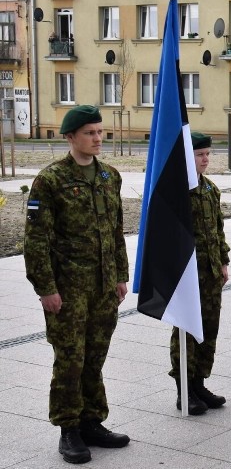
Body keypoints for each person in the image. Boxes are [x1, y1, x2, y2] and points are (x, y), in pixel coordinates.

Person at [24, 105, 130, 464]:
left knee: (95, 355)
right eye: (89, 133)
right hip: (68, 288)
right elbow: (36, 240)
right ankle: (68, 428)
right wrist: (46, 289)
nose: (98, 138)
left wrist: (119, 276)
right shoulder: (50, 180)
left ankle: (91, 421)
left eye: (100, 132)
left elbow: (116, 231)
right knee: (70, 358)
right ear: (70, 137)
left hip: (102, 286)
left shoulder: (109, 177)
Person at [170, 132, 231, 416]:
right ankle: (184, 389)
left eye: (207, 154)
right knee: (186, 329)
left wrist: (223, 261)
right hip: (187, 274)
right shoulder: (178, 191)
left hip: (210, 272)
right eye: (199, 154)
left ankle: (199, 382)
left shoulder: (210, 189)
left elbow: (217, 231)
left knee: (208, 328)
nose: (205, 159)